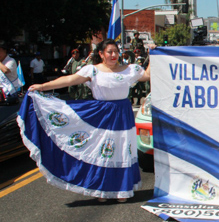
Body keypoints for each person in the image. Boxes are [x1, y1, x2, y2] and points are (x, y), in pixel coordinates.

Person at [18, 39, 152, 203]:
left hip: (123, 114)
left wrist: (153, 56)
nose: (113, 55)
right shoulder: (93, 71)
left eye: (115, 51)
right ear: (101, 54)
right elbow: (69, 80)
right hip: (102, 115)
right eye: (109, 52)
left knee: (122, 149)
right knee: (102, 151)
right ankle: (101, 189)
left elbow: (147, 75)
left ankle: (122, 189)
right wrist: (43, 86)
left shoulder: (129, 69)